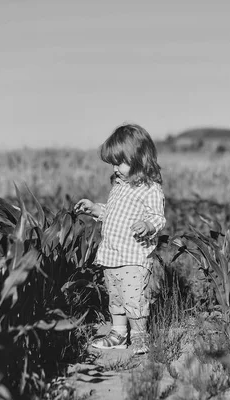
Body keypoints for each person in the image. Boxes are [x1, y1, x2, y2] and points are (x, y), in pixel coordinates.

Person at [74, 124, 166, 355]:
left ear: (139, 159)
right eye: (113, 163)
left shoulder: (150, 189)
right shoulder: (119, 186)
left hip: (134, 256)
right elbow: (112, 214)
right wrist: (95, 208)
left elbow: (158, 218)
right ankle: (118, 334)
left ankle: (139, 336)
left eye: (120, 163)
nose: (115, 168)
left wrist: (147, 225)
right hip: (112, 254)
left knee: (134, 298)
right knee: (115, 297)